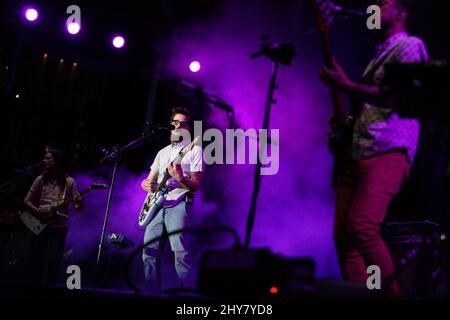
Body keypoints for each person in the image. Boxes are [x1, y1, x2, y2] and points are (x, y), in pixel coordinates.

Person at [319, 0, 428, 296]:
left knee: (363, 227)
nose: (374, 7)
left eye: (383, 3)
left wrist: (346, 85)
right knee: (345, 238)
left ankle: (394, 297)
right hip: (358, 152)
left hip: (388, 149)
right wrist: (345, 129)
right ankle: (365, 295)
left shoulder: (409, 45)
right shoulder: (378, 53)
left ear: (401, 12)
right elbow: (370, 106)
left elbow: (397, 96)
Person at [141, 107, 203, 293]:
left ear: (189, 127)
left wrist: (180, 177)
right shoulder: (162, 152)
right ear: (171, 125)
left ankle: (187, 298)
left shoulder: (194, 149)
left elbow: (196, 185)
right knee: (148, 252)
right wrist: (146, 185)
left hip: (179, 204)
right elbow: (149, 180)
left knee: (181, 254)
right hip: (157, 206)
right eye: (176, 123)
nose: (179, 126)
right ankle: (151, 293)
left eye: (183, 123)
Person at [23, 148, 84, 285]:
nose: (44, 161)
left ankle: (50, 289)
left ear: (56, 161)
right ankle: (35, 287)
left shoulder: (69, 182)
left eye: (48, 158)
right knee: (36, 258)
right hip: (40, 223)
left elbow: (78, 208)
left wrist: (80, 201)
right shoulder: (40, 179)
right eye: (44, 158)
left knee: (54, 260)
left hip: (59, 225)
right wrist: (37, 211)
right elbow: (26, 200)